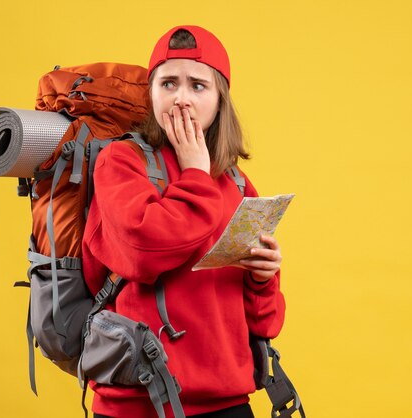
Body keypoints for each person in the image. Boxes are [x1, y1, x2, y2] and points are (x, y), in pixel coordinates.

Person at [82, 25, 286, 418]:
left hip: (228, 402)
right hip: (137, 403)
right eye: (168, 83)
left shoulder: (237, 183)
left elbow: (264, 322)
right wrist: (194, 172)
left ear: (220, 99)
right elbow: (145, 254)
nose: (181, 98)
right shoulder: (122, 163)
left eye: (197, 85)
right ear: (152, 92)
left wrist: (263, 278)